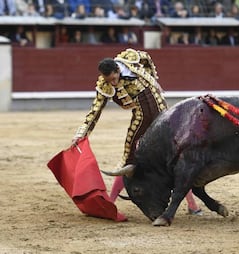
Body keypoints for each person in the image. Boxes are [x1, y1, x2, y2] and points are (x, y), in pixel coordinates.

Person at [71, 48, 202, 215]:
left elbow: (146, 58)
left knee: (175, 158)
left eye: (113, 78)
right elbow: (94, 112)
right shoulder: (104, 85)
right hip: (142, 117)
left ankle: (192, 205)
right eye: (108, 80)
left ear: (117, 70)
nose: (112, 83)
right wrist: (80, 134)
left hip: (163, 112)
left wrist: (154, 80)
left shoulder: (130, 58)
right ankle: (111, 201)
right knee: (129, 158)